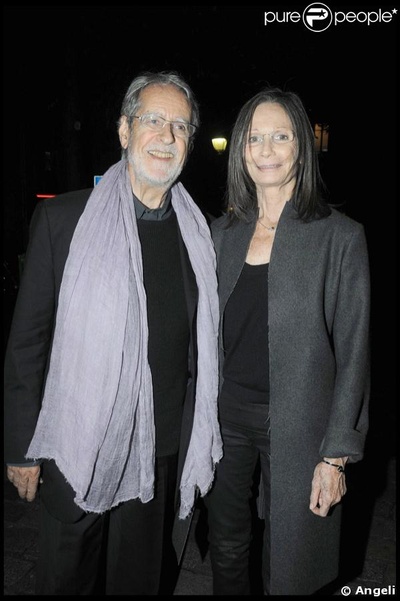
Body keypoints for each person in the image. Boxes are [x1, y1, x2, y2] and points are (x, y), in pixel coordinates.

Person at [4, 70, 222, 595]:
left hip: (157, 455)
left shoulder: (202, 234)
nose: (167, 136)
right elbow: (28, 343)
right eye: (153, 120)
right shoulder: (63, 220)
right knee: (65, 582)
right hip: (77, 450)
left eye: (181, 126)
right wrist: (20, 448)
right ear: (125, 130)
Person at [204, 86, 371, 595]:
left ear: (302, 145)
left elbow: (354, 354)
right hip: (225, 421)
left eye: (280, 136)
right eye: (255, 138)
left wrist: (336, 455)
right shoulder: (220, 234)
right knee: (226, 547)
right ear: (241, 149)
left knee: (290, 562)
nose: (266, 150)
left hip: (299, 424)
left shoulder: (339, 237)